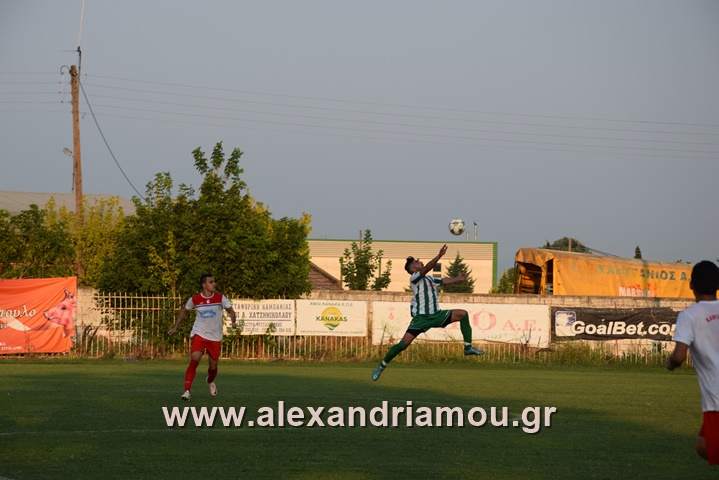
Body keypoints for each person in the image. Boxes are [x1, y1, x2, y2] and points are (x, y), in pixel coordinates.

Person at [372, 244, 484, 381]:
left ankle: (467, 347)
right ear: (413, 269)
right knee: (403, 345)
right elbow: (428, 267)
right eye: (416, 262)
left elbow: (444, 281)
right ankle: (381, 366)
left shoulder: (429, 279)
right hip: (422, 318)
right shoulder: (414, 278)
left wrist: (457, 278)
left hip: (437, 315)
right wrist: (439, 255)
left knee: (463, 314)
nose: (419, 262)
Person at [666, 260, 719, 466]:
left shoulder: (689, 315)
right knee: (702, 445)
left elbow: (679, 356)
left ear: (691, 285)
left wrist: (670, 363)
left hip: (716, 397)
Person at [168, 274, 237, 401]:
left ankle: (210, 380)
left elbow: (231, 311)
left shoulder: (220, 298)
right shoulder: (195, 299)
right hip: (199, 334)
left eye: (214, 281)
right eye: (211, 282)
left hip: (215, 337)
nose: (214, 284)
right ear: (204, 285)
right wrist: (175, 327)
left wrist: (233, 322)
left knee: (213, 367)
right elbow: (184, 311)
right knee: (194, 360)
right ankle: (187, 391)